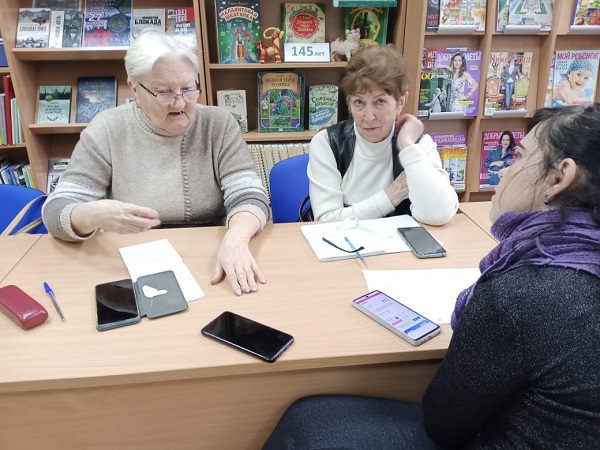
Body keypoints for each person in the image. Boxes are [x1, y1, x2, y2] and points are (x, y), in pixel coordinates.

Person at [263, 104, 600, 449]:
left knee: (307, 422)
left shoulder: (518, 297)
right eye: (359, 101)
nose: (503, 171)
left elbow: (443, 422)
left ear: (559, 178)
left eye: (518, 156)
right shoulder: (574, 265)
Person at [42, 29, 270, 297]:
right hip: (132, 259)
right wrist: (93, 215)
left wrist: (236, 240)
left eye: (188, 88)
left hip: (212, 254)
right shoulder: (107, 128)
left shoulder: (218, 124)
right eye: (163, 92)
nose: (180, 102)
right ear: (135, 89)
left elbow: (250, 195)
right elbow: (56, 210)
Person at [307, 45, 458, 225]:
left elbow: (439, 214)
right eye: (359, 102)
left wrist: (407, 147)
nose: (369, 117)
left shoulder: (418, 145)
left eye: (380, 101)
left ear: (400, 102)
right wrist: (391, 195)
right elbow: (325, 221)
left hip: (399, 243)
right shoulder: (328, 143)